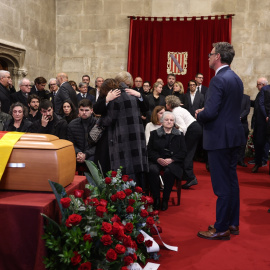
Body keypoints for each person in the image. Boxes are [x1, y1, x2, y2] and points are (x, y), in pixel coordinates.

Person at [195, 42, 245, 240]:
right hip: (234, 136)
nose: (208, 56)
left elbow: (212, 112)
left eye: (210, 54)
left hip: (219, 139)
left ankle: (221, 227)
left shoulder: (218, 80)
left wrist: (200, 113)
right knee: (232, 181)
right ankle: (232, 223)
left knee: (222, 185)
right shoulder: (236, 78)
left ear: (218, 57)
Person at [102, 72, 149, 189]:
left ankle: (125, 197)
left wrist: (100, 121)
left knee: (123, 169)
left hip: (121, 137)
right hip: (136, 136)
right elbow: (146, 108)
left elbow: (109, 120)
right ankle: (139, 196)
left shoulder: (115, 96)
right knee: (137, 169)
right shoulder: (134, 95)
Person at [147, 111, 186, 211]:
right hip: (157, 160)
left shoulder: (179, 134)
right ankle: (156, 199)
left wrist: (172, 159)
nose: (169, 122)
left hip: (173, 162)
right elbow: (149, 150)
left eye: (171, 120)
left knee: (169, 172)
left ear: (174, 122)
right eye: (166, 120)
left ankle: (165, 199)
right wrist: (158, 159)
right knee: (152, 170)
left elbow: (183, 152)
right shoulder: (154, 134)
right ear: (161, 121)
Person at [166, 95, 202, 189]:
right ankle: (186, 176)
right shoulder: (179, 109)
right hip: (195, 128)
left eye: (166, 103)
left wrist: (179, 141)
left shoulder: (175, 112)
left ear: (170, 104)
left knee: (186, 153)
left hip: (192, 130)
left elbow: (183, 128)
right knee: (187, 153)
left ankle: (191, 177)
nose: (165, 105)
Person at [92, 79, 121, 173]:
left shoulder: (120, 95)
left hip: (118, 130)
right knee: (103, 158)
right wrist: (107, 100)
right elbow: (96, 109)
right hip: (105, 131)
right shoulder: (103, 96)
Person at [67, 99, 97, 171]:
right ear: (78, 110)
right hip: (77, 153)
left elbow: (99, 145)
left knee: (92, 161)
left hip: (92, 154)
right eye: (81, 110)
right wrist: (79, 153)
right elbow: (70, 143)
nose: (84, 112)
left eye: (86, 110)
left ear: (91, 110)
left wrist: (86, 154)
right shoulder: (72, 124)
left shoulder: (97, 124)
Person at [250, 77, 269, 173]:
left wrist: (266, 116)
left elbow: (263, 106)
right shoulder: (260, 93)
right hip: (259, 123)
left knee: (263, 142)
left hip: (264, 123)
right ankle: (258, 162)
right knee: (258, 143)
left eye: (258, 84)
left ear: (263, 85)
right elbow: (257, 105)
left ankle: (262, 161)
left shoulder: (266, 92)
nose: (257, 86)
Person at [237, 94, 250, 167]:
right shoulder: (231, 97)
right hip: (232, 123)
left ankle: (240, 160)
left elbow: (247, 109)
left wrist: (240, 117)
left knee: (243, 142)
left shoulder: (246, 97)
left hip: (243, 123)